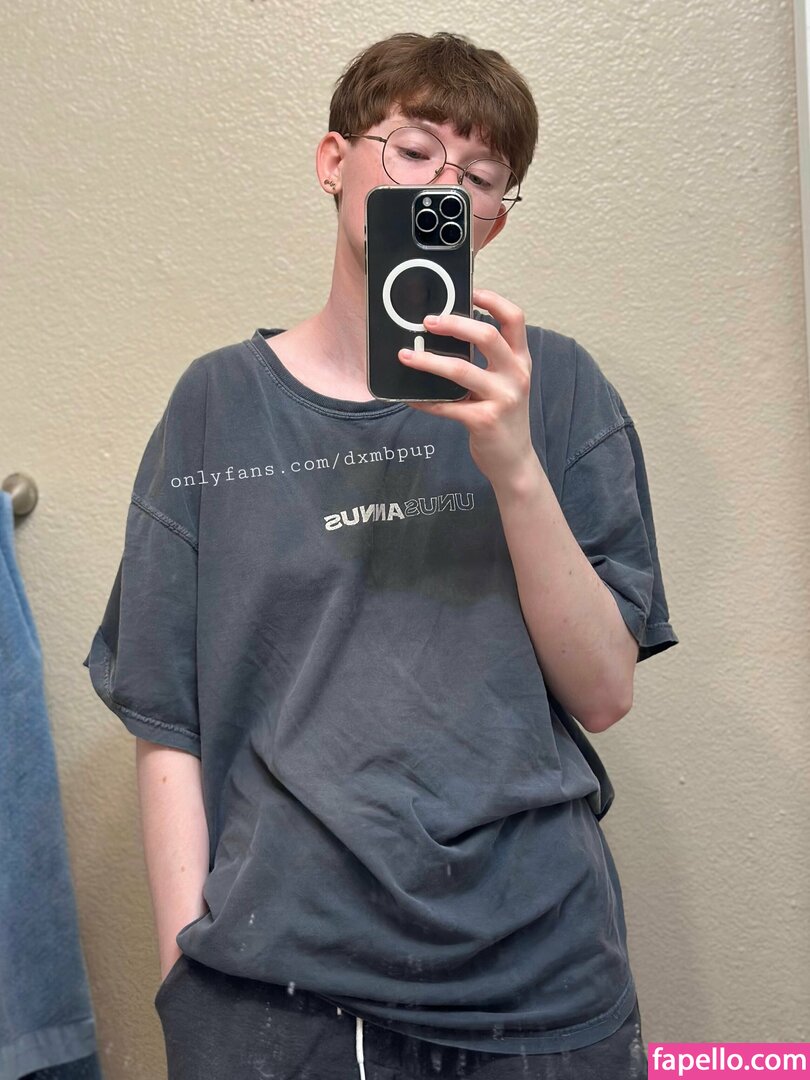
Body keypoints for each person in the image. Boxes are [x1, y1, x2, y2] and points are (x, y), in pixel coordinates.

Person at [83, 30, 678, 1080]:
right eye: (412, 149)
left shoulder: (559, 390)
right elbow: (165, 712)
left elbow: (604, 692)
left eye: (479, 175)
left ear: (494, 220)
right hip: (276, 992)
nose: (443, 187)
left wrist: (513, 464)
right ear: (334, 161)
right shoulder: (217, 403)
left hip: (540, 981)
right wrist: (186, 976)